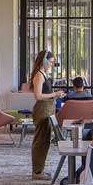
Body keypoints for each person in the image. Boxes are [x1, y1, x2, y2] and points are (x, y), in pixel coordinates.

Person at [27, 48, 58, 178]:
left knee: (44, 141)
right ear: (44, 61)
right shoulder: (39, 75)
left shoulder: (43, 74)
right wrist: (55, 94)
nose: (51, 65)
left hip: (47, 108)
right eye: (50, 62)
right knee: (40, 141)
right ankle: (37, 172)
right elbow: (38, 96)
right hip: (42, 109)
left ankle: (39, 170)